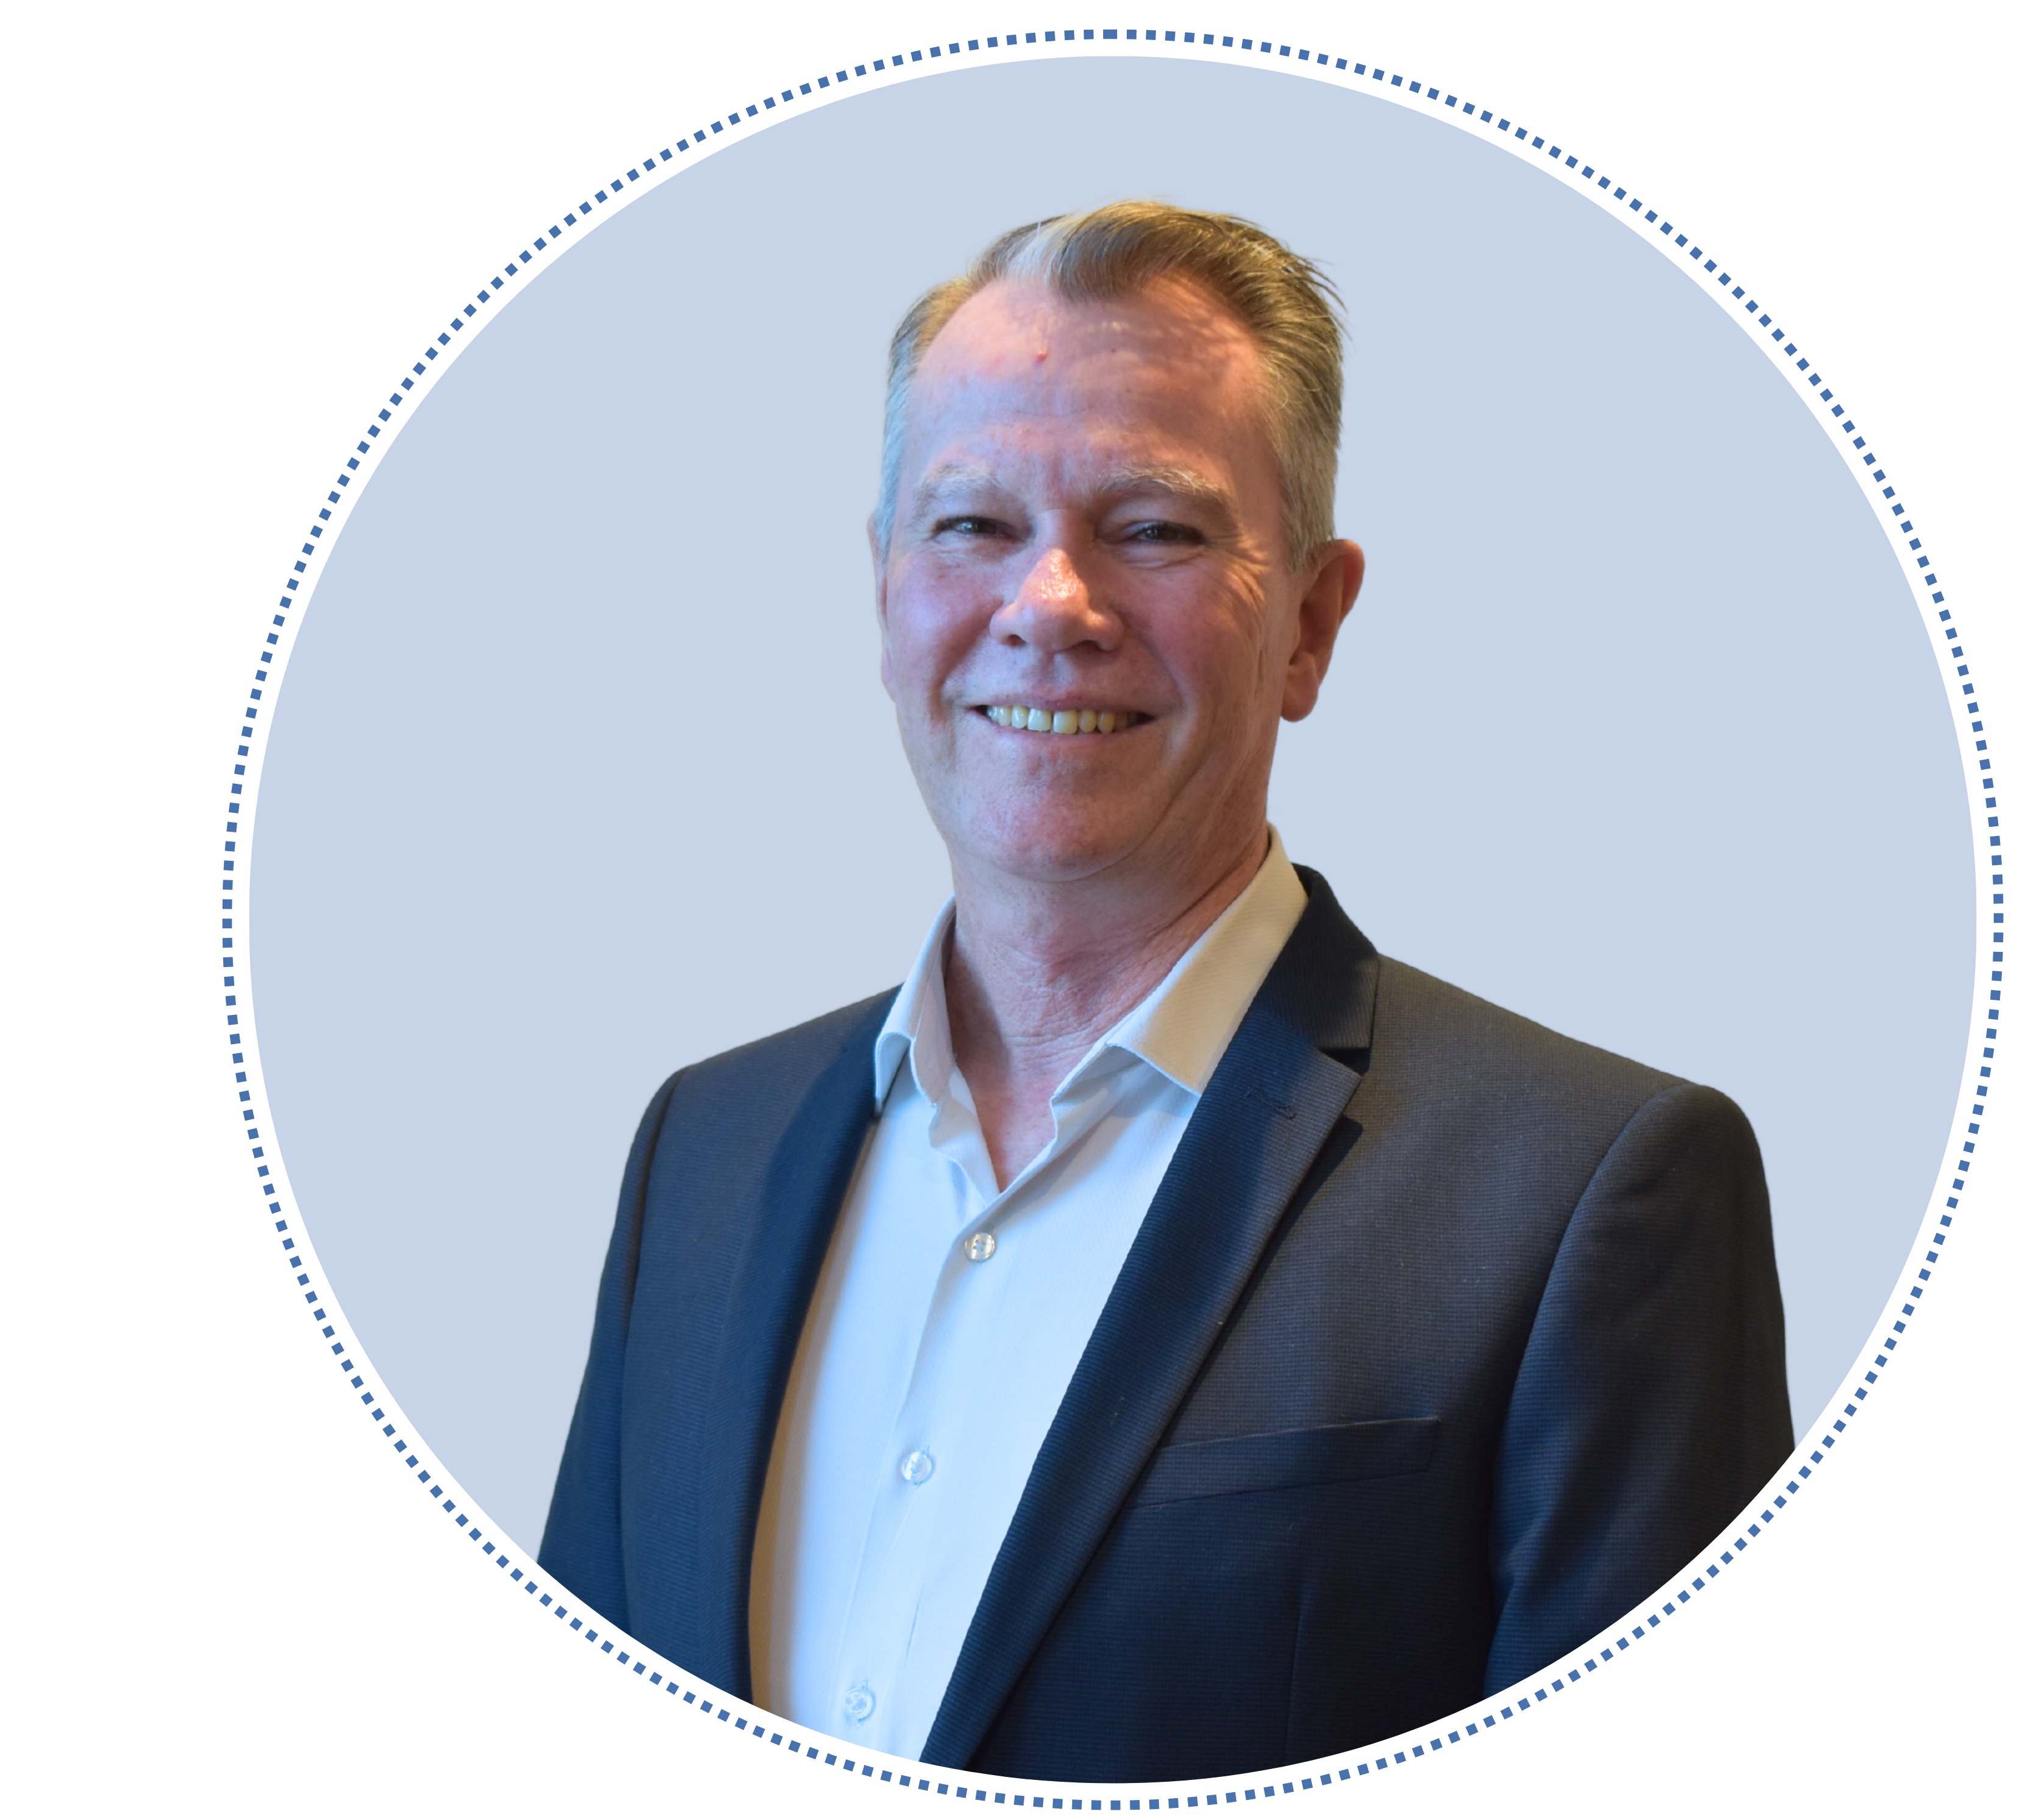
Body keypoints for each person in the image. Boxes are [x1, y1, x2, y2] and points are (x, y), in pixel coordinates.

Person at [538, 198, 1791, 1783]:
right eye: (972, 525)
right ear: (882, 595)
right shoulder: (696, 1157)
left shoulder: (1592, 1195)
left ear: (1313, 628)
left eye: (1155, 529)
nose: (1050, 605)